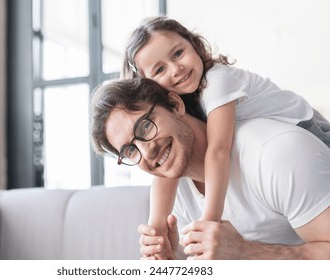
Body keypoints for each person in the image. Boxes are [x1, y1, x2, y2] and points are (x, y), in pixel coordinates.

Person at [121, 16, 330, 259]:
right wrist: (157, 231)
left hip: (313, 132)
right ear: (151, 87)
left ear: (195, 46)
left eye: (178, 53)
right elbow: (166, 175)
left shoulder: (217, 81)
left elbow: (218, 150)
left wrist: (210, 221)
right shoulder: (183, 100)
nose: (176, 68)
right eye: (160, 69)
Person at [90, 77, 330, 259]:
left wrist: (244, 252)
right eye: (130, 151)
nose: (146, 152)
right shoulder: (176, 195)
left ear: (175, 104)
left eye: (144, 127)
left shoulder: (275, 154)